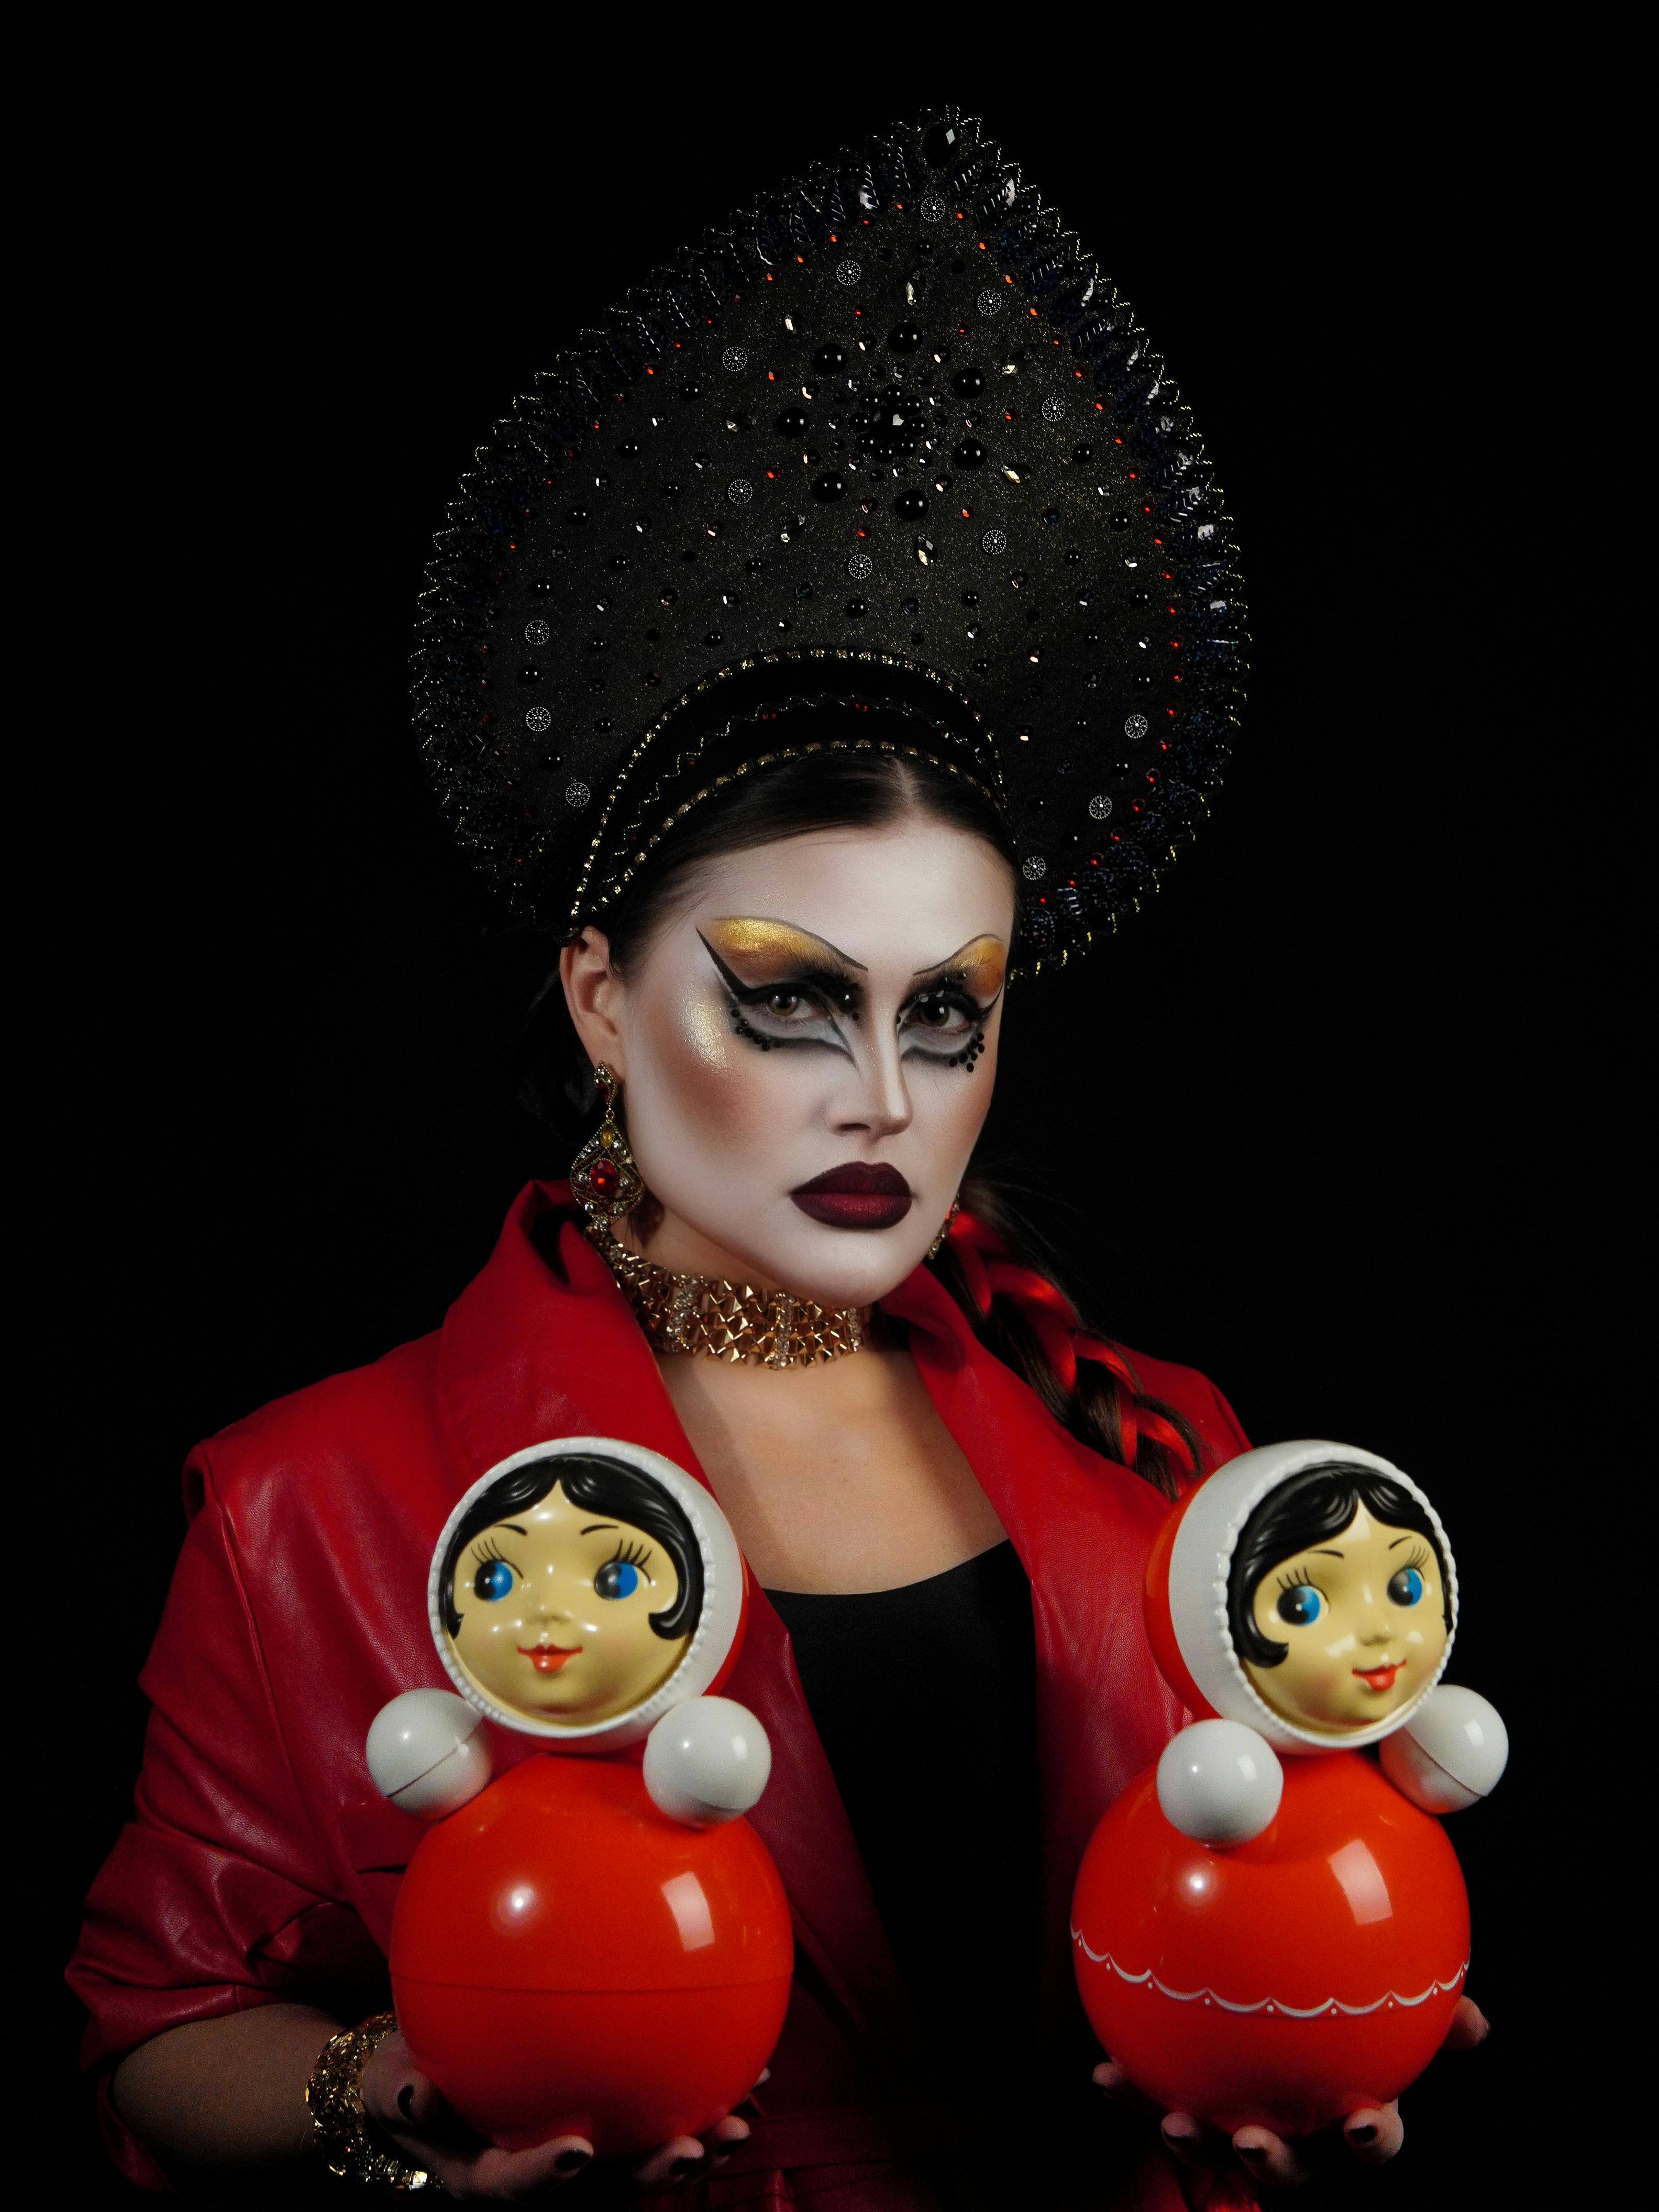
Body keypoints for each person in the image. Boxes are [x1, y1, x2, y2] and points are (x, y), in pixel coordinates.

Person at [67, 109, 1483, 2208]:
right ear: (597, 1000)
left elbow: (1291, 1919)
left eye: (952, 1011)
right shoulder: (312, 1505)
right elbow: (159, 2031)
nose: (887, 1097)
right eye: (789, 999)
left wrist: (1332, 2010)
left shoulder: (1177, 1459)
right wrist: (401, 2096)